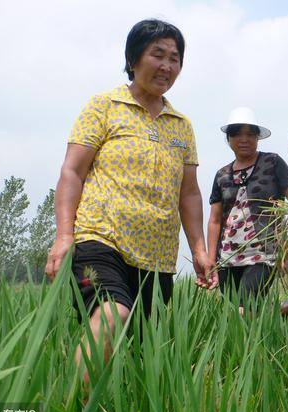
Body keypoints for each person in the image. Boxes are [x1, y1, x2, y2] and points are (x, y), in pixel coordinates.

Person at [44, 19, 214, 378]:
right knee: (112, 314)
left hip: (156, 258)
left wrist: (199, 249)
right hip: (99, 240)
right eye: (158, 54)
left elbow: (189, 193)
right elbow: (72, 172)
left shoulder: (181, 124)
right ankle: (60, 410)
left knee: (138, 350)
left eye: (175, 58)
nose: (167, 66)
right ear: (133, 58)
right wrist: (63, 236)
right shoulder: (104, 106)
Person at [205, 107, 288, 313]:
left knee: (245, 304)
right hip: (228, 256)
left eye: (250, 134)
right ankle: (282, 313)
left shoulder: (272, 162)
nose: (244, 139)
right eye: (238, 134)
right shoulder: (222, 175)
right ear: (229, 139)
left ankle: (277, 316)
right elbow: (215, 219)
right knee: (238, 311)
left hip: (263, 253)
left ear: (258, 138)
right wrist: (211, 258)